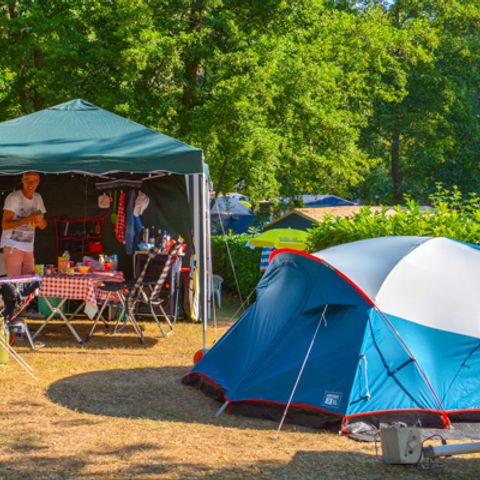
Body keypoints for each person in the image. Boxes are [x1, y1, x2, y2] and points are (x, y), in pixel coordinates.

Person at [1, 172, 47, 276]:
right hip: (13, 245)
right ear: (22, 180)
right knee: (15, 283)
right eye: (28, 180)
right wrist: (29, 218)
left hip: (29, 247)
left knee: (29, 283)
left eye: (35, 181)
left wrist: (38, 220)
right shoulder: (14, 197)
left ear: (38, 182)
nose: (31, 184)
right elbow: (5, 225)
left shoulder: (37, 198)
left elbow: (43, 225)